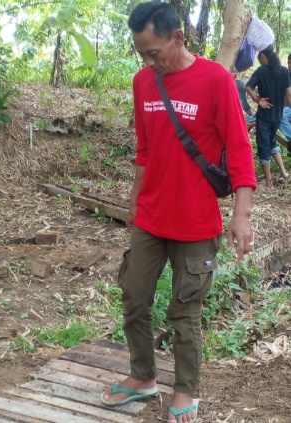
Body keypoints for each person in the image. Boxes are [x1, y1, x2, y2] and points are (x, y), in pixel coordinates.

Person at [99, 2, 256, 423]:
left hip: (196, 221)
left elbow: (240, 151)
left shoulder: (216, 81)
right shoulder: (143, 82)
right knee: (134, 297)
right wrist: (134, 203)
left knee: (184, 311)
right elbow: (145, 150)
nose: (150, 62)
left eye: (155, 53)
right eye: (142, 55)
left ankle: (185, 391)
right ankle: (142, 377)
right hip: (151, 217)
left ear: (178, 38)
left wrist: (241, 215)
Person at [245, 46, 291, 187]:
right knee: (271, 142)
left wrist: (258, 99)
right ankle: (283, 172)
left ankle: (269, 182)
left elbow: (248, 87)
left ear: (263, 56)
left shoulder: (261, 71)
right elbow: (289, 94)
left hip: (264, 116)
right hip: (277, 115)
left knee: (264, 147)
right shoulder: (283, 71)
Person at [278, 53, 291, 156]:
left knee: (280, 117)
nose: (289, 66)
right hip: (285, 107)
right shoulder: (285, 74)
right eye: (289, 63)